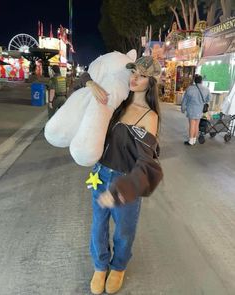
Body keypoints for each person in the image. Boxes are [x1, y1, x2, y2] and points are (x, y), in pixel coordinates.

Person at [76, 56, 163, 294]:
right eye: (133, 71)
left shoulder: (150, 117)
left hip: (126, 182)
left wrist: (121, 190)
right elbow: (81, 79)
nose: (134, 78)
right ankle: (100, 266)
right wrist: (90, 85)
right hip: (100, 174)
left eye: (142, 75)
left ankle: (118, 267)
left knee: (124, 230)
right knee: (98, 226)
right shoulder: (117, 102)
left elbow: (147, 164)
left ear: (152, 82)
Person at [181, 74, 211, 146]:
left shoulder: (190, 89)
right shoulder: (206, 89)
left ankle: (191, 141)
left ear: (194, 81)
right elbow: (209, 99)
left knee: (192, 125)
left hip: (191, 109)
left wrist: (183, 108)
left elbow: (184, 100)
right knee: (197, 125)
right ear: (201, 81)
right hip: (200, 109)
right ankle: (194, 139)